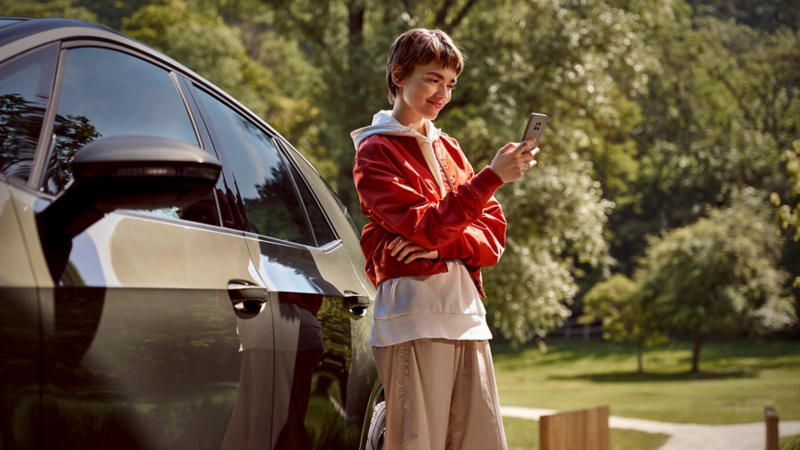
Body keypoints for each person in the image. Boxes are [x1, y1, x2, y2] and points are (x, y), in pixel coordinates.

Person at [351, 28, 539, 450]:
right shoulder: (374, 152)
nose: (443, 94)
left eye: (450, 84)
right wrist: (489, 179)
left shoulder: (451, 149)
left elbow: (492, 238)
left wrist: (441, 245)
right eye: (433, 79)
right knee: (417, 442)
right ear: (399, 75)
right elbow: (425, 224)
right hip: (413, 317)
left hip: (468, 319)